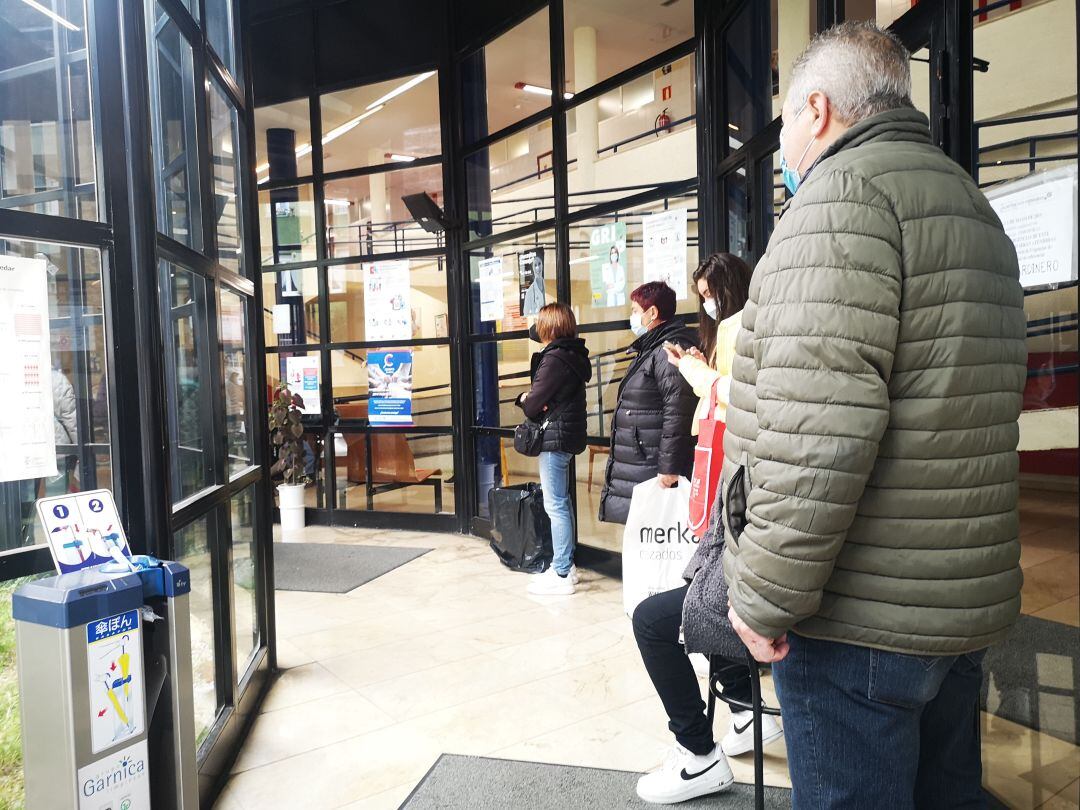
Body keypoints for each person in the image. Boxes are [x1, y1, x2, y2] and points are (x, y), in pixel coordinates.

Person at [723, 23, 1026, 809]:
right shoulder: (968, 204)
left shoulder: (839, 200)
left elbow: (815, 438)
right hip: (953, 605)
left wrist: (760, 599)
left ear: (817, 109)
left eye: (785, 120)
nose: (782, 143)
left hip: (858, 620)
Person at [632, 255, 778, 807]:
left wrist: (706, 382)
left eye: (712, 295)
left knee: (658, 618)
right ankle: (744, 712)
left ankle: (699, 753)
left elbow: (729, 414)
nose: (708, 306)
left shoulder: (746, 332)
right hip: (738, 524)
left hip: (747, 532)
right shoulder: (733, 336)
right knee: (703, 594)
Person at [598, 281, 697, 524]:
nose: (632, 317)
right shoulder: (650, 349)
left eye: (634, 311)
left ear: (652, 312)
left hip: (651, 463)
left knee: (655, 539)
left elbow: (678, 410)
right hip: (641, 458)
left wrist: (668, 467)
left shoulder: (667, 350)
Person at [517, 303, 592, 596]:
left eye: (539, 321)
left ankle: (561, 571)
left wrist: (525, 397)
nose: (535, 326)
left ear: (548, 326)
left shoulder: (555, 358)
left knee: (556, 505)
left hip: (554, 438)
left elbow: (534, 404)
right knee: (562, 503)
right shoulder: (573, 355)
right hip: (565, 436)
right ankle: (567, 566)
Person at [663, 253, 753, 434]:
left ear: (728, 287)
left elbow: (731, 391)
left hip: (734, 434)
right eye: (703, 297)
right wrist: (704, 367)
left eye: (708, 294)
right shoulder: (726, 328)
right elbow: (715, 387)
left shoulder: (742, 328)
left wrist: (691, 367)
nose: (706, 304)